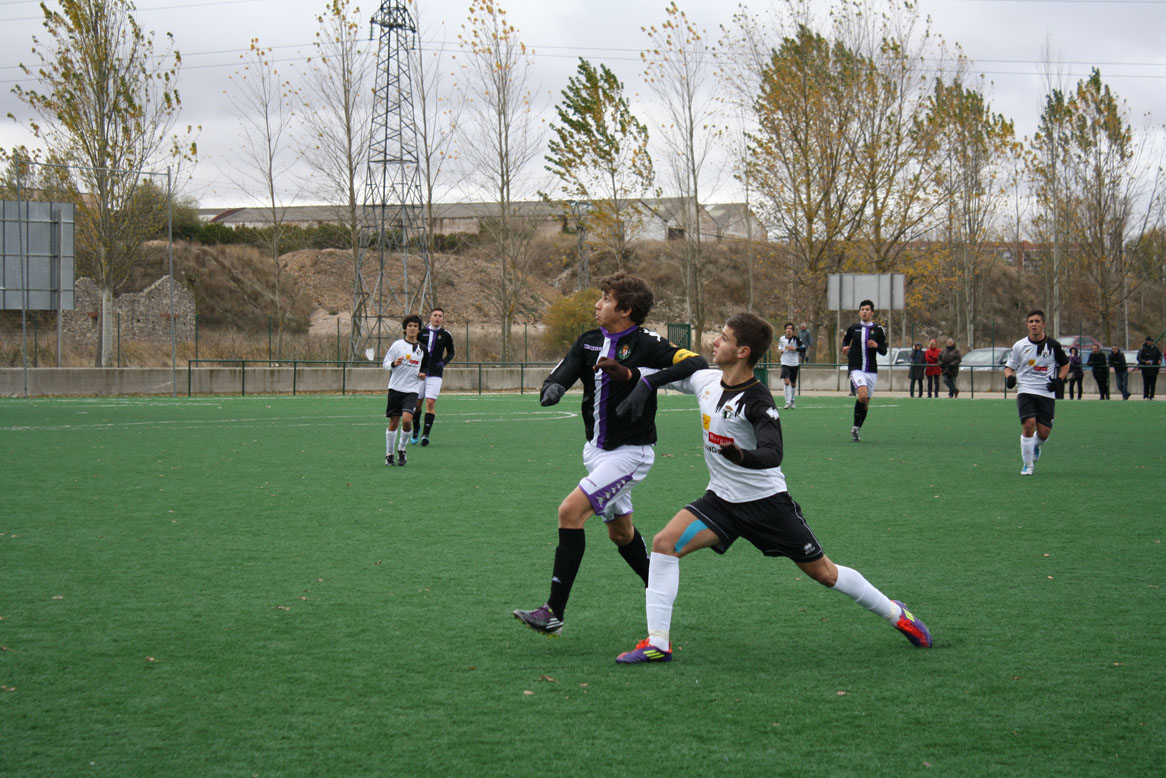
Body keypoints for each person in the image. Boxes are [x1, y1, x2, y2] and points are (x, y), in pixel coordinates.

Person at [614, 313, 932, 664]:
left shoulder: (758, 400)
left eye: (724, 338)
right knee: (664, 544)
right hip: (721, 502)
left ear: (743, 351)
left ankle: (897, 614)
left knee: (825, 573)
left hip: (767, 505)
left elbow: (773, 453)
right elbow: (664, 375)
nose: (715, 342)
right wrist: (625, 372)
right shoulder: (706, 380)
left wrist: (742, 456)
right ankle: (658, 643)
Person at [512, 272, 707, 637]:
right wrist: (553, 387)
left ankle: (553, 612)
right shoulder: (589, 341)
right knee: (621, 533)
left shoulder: (648, 343)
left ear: (625, 309)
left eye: (605, 298)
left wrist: (645, 379)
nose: (597, 304)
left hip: (630, 455)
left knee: (570, 512)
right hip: (595, 452)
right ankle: (657, 588)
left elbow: (697, 362)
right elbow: (564, 371)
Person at [1003, 310, 1069, 476]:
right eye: (1031, 321)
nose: (1034, 324)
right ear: (1027, 325)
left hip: (1046, 392)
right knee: (1028, 424)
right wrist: (1009, 377)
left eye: (1037, 321)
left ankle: (1035, 445)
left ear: (1043, 324)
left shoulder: (1053, 345)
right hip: (1025, 389)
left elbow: (1065, 365)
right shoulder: (1019, 346)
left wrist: (1059, 380)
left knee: (1044, 433)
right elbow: (1009, 367)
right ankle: (1027, 465)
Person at [382, 315, 428, 467]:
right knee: (394, 422)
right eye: (410, 326)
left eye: (415, 326)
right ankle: (389, 454)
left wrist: (423, 374)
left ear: (419, 329)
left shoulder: (423, 349)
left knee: (407, 421)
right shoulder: (397, 345)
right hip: (395, 388)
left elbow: (425, 367)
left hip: (412, 390)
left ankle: (402, 449)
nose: (412, 328)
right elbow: (385, 364)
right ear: (405, 328)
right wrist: (394, 364)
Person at [840, 300, 887, 441]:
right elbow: (845, 341)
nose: (864, 312)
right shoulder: (853, 328)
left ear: (872, 312)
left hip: (871, 370)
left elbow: (884, 351)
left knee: (865, 401)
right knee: (862, 395)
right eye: (862, 309)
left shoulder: (878, 330)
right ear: (859, 312)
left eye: (867, 309)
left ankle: (856, 427)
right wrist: (844, 348)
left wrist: (877, 346)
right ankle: (855, 427)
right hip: (856, 368)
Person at [410, 307, 456, 445]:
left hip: (435, 374)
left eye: (440, 316)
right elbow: (412, 348)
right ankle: (416, 429)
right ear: (430, 317)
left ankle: (425, 435)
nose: (437, 318)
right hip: (420, 373)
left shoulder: (446, 335)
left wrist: (443, 363)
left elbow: (451, 352)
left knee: (430, 402)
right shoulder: (421, 333)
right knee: (417, 404)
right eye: (435, 315)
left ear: (443, 319)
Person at [777, 322, 801, 409]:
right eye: (787, 328)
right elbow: (780, 347)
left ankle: (792, 400)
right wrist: (780, 350)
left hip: (794, 363)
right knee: (786, 381)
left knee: (793, 383)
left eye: (790, 328)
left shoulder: (797, 339)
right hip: (785, 363)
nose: (789, 330)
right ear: (785, 330)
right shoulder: (782, 339)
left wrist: (794, 349)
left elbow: (803, 348)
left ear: (793, 330)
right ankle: (787, 402)